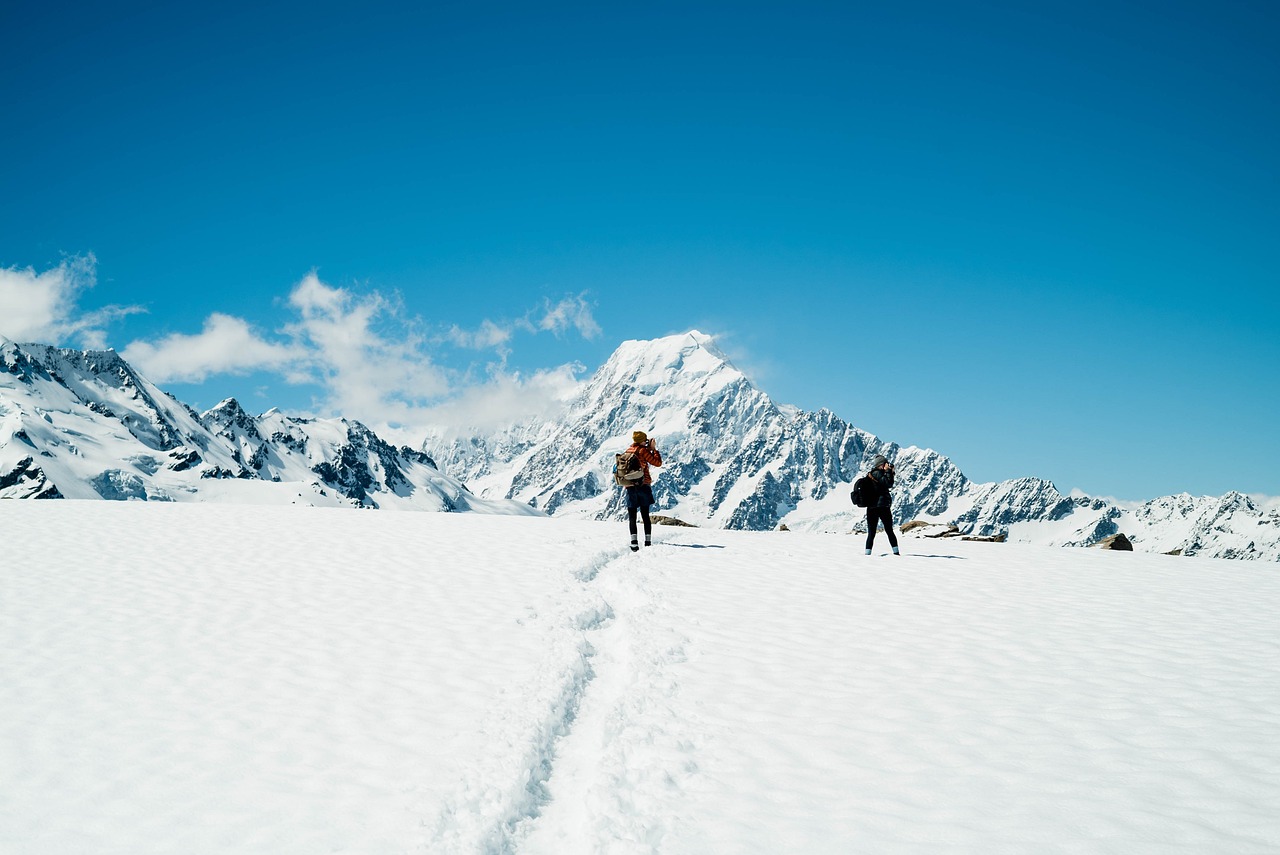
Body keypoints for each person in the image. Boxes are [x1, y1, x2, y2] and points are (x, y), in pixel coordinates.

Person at [621, 430, 663, 551]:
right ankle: (647, 542)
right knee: (645, 515)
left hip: (630, 487)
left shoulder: (628, 451)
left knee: (632, 516)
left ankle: (634, 543)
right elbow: (657, 463)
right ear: (642, 441)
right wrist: (653, 449)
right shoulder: (643, 450)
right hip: (643, 486)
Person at [864, 454, 900, 556]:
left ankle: (867, 553)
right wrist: (889, 471)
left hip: (871, 507)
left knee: (871, 532)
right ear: (881, 465)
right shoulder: (878, 474)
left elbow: (887, 482)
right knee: (889, 530)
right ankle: (896, 552)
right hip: (882, 507)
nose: (887, 465)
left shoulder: (871, 474)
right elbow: (889, 484)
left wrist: (890, 472)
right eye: (886, 464)